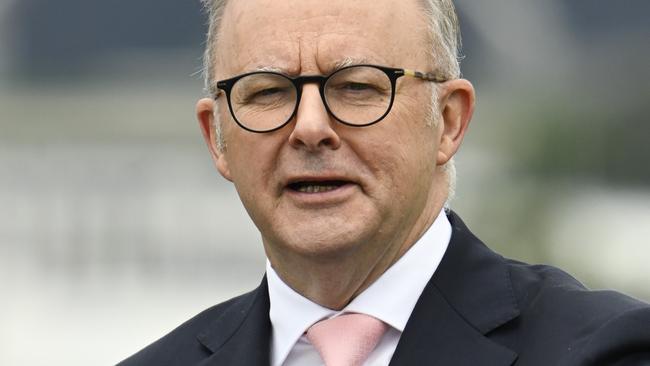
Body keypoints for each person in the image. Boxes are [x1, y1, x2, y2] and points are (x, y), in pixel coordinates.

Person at [120, 0, 650, 365]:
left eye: (356, 87)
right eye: (267, 93)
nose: (309, 128)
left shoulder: (601, 351)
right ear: (217, 137)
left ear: (448, 122)